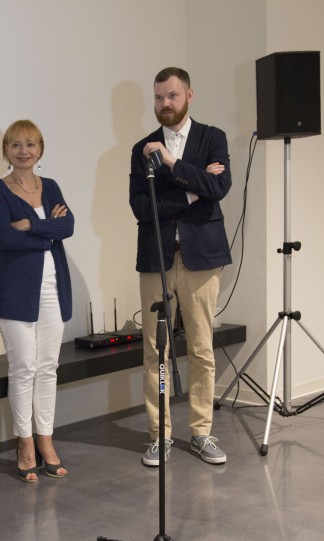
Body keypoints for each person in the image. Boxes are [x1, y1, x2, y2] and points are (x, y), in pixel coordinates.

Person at [129, 67, 232, 467]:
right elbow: (142, 207)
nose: (165, 104)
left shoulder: (212, 138)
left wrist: (172, 164)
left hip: (201, 259)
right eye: (158, 97)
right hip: (156, 257)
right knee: (155, 351)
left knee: (202, 348)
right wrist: (191, 194)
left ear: (189, 95)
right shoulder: (142, 148)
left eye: (172, 96)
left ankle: (201, 432)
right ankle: (160, 435)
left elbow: (219, 188)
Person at [0, 120, 74, 483]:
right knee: (23, 368)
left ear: (40, 149)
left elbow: (68, 226)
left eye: (31, 144)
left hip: (53, 287)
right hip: (14, 292)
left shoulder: (49, 187)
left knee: (48, 367)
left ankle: (46, 441)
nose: (24, 151)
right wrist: (48, 233)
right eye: (16, 145)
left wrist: (31, 225)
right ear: (6, 151)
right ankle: (24, 444)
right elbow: (3, 237)